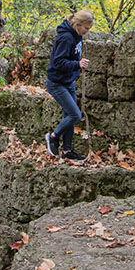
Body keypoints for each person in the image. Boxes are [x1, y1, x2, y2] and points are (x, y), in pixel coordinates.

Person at [44, 9, 93, 162]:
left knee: (69, 116)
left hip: (68, 82)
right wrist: (77, 64)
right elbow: (57, 62)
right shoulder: (65, 38)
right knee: (75, 115)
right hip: (57, 83)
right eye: (86, 28)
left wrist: (76, 65)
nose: (87, 31)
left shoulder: (77, 36)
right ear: (78, 24)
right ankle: (53, 137)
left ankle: (67, 150)